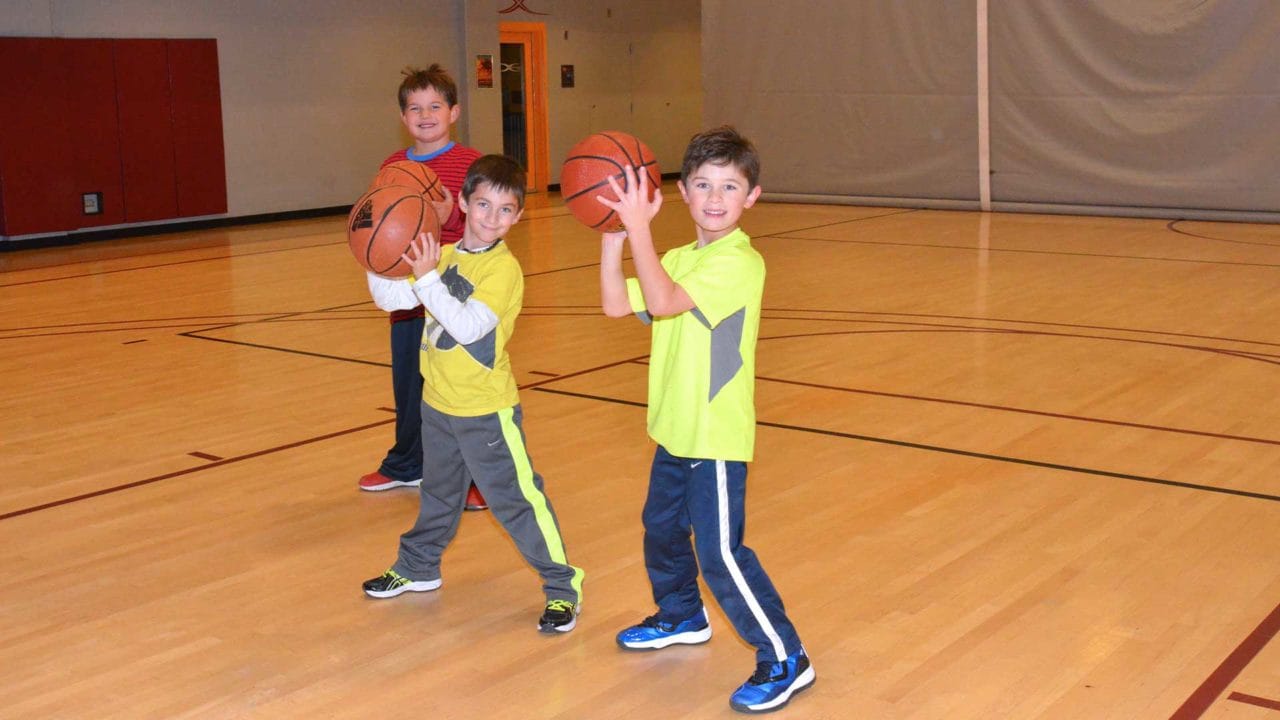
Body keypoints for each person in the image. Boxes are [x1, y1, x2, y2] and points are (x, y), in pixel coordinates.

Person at [597, 126, 814, 713]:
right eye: (703, 184)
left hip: (714, 435)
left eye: (729, 186)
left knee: (720, 552)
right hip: (675, 428)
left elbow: (664, 302)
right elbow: (619, 304)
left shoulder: (740, 263)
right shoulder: (677, 257)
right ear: (683, 193)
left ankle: (785, 655)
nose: (715, 197)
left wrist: (639, 229)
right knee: (662, 530)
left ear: (752, 197)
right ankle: (681, 616)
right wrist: (614, 239)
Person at [363, 155, 584, 634]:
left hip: (486, 411)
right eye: (483, 204)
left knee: (516, 501)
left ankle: (563, 586)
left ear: (518, 217)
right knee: (439, 495)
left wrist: (424, 278)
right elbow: (392, 299)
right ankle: (418, 567)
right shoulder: (441, 256)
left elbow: (465, 327)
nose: (492, 217)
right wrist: (372, 252)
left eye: (505, 210)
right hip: (438, 405)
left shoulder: (503, 272)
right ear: (462, 203)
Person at [361, 63, 487, 512]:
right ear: (403, 117)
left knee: (455, 390)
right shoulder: (392, 167)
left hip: (452, 295)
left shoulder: (470, 163)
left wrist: (448, 211)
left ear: (453, 112)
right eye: (415, 107)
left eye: (435, 105)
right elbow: (377, 223)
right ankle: (406, 463)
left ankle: (474, 476)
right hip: (407, 296)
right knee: (409, 387)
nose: (425, 114)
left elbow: (484, 226)